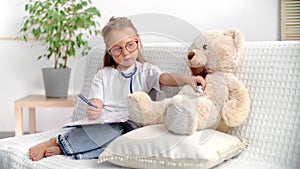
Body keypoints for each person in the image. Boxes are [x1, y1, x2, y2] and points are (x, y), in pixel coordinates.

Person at [29, 16, 206, 161]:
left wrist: (188, 80)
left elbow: (165, 78)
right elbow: (96, 100)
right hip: (107, 123)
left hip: (132, 125)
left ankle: (70, 149)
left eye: (130, 45)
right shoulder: (103, 75)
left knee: (124, 144)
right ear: (109, 52)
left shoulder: (146, 71)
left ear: (138, 41)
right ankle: (59, 142)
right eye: (117, 50)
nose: (126, 53)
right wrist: (94, 108)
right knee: (111, 130)